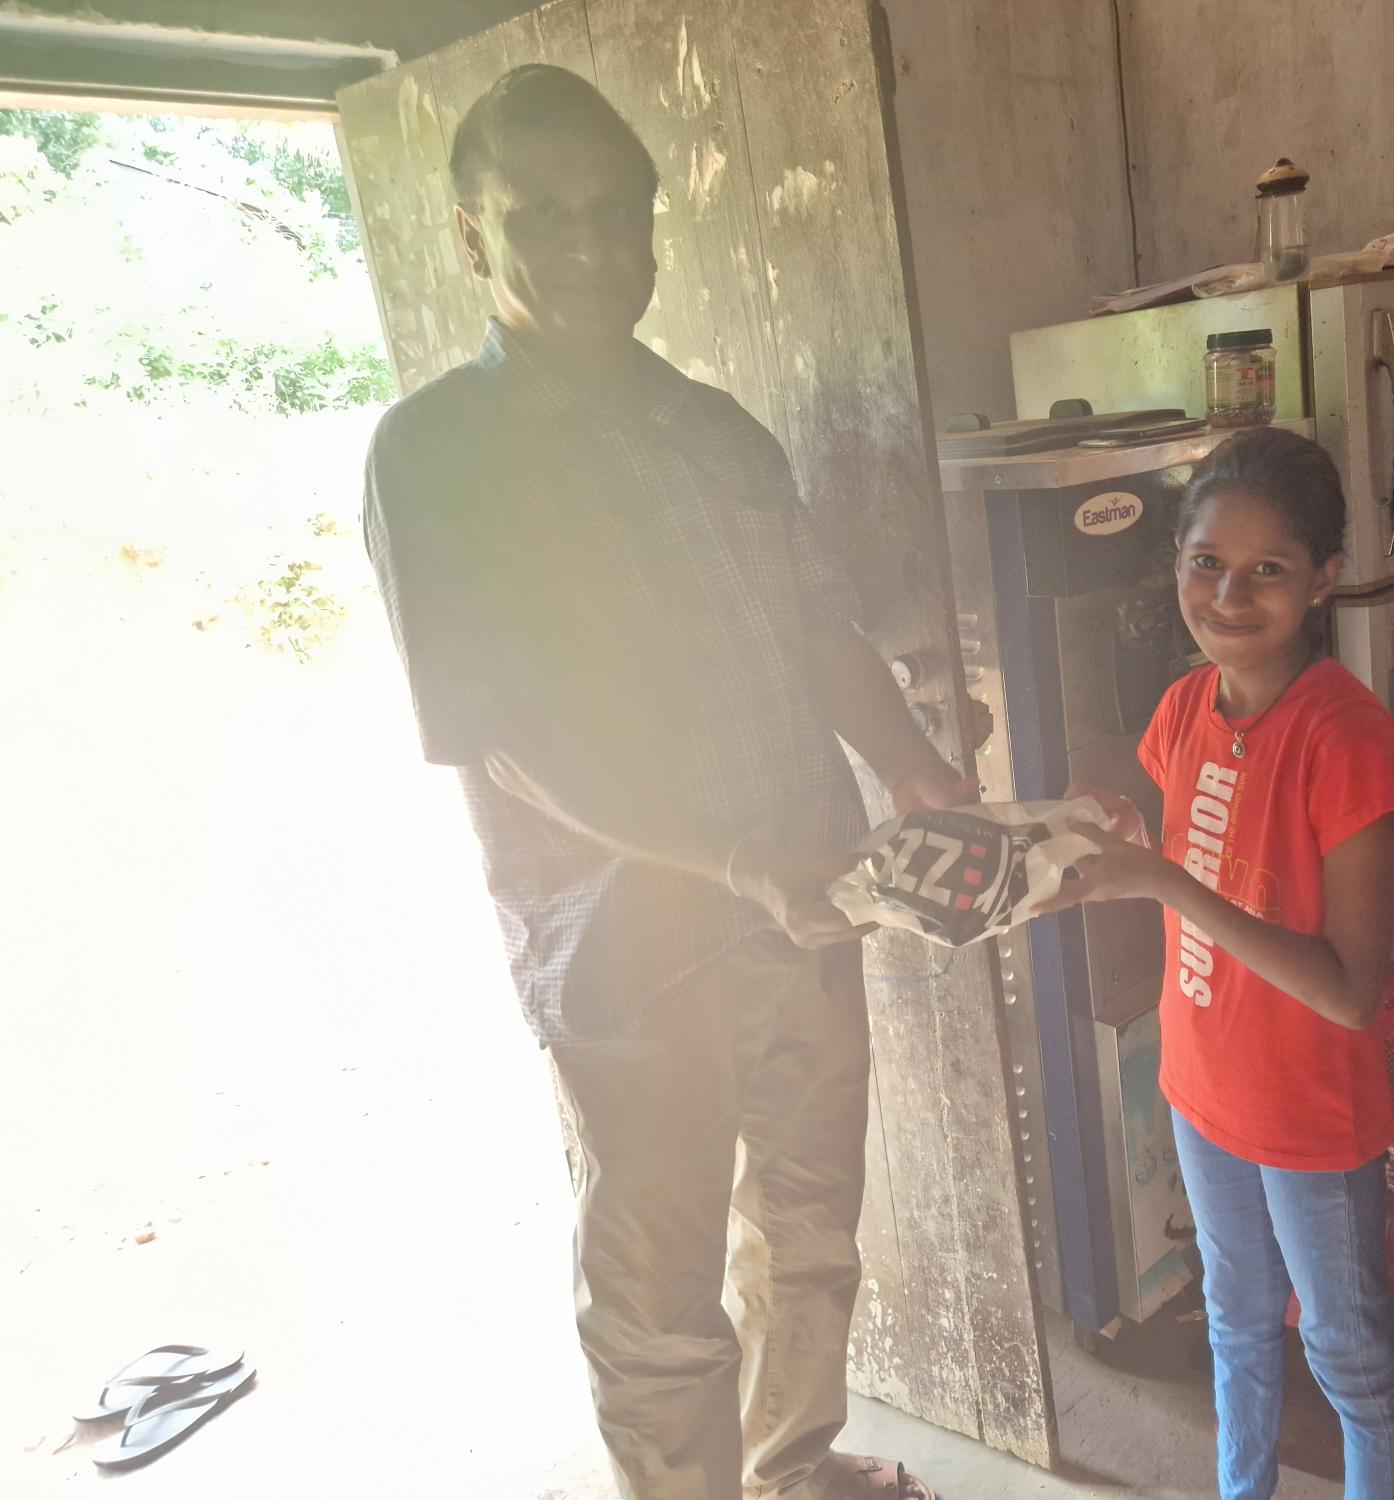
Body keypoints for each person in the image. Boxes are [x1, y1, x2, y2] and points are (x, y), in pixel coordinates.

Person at [360, 64, 955, 1500]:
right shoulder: (438, 454)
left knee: (810, 1232)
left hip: (808, 909)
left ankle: (790, 1469)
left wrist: (916, 768)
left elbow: (818, 630)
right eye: (541, 214)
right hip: (628, 952)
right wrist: (744, 865)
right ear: (470, 236)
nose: (587, 245)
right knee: (659, 1293)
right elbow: (507, 736)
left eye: (614, 211)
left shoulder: (716, 428)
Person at [1048, 427, 1394, 1499]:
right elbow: (1201, 847)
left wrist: (1167, 884)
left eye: (1268, 570)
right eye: (1206, 562)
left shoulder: (1345, 740)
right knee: (1235, 1325)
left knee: (1350, 1362)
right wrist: (1128, 829)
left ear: (1322, 580)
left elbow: (1352, 992)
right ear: (1175, 562)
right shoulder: (1182, 712)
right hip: (1201, 1087)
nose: (1228, 596)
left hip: (1308, 1118)